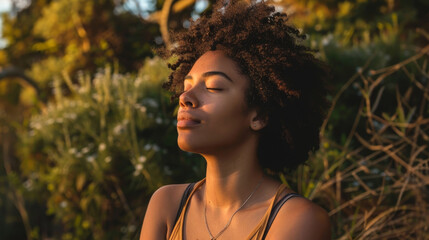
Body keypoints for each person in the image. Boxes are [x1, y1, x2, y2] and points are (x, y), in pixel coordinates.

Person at [140, 1, 331, 239]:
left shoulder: (298, 219)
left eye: (214, 87)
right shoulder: (167, 205)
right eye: (187, 86)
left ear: (259, 116)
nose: (185, 97)